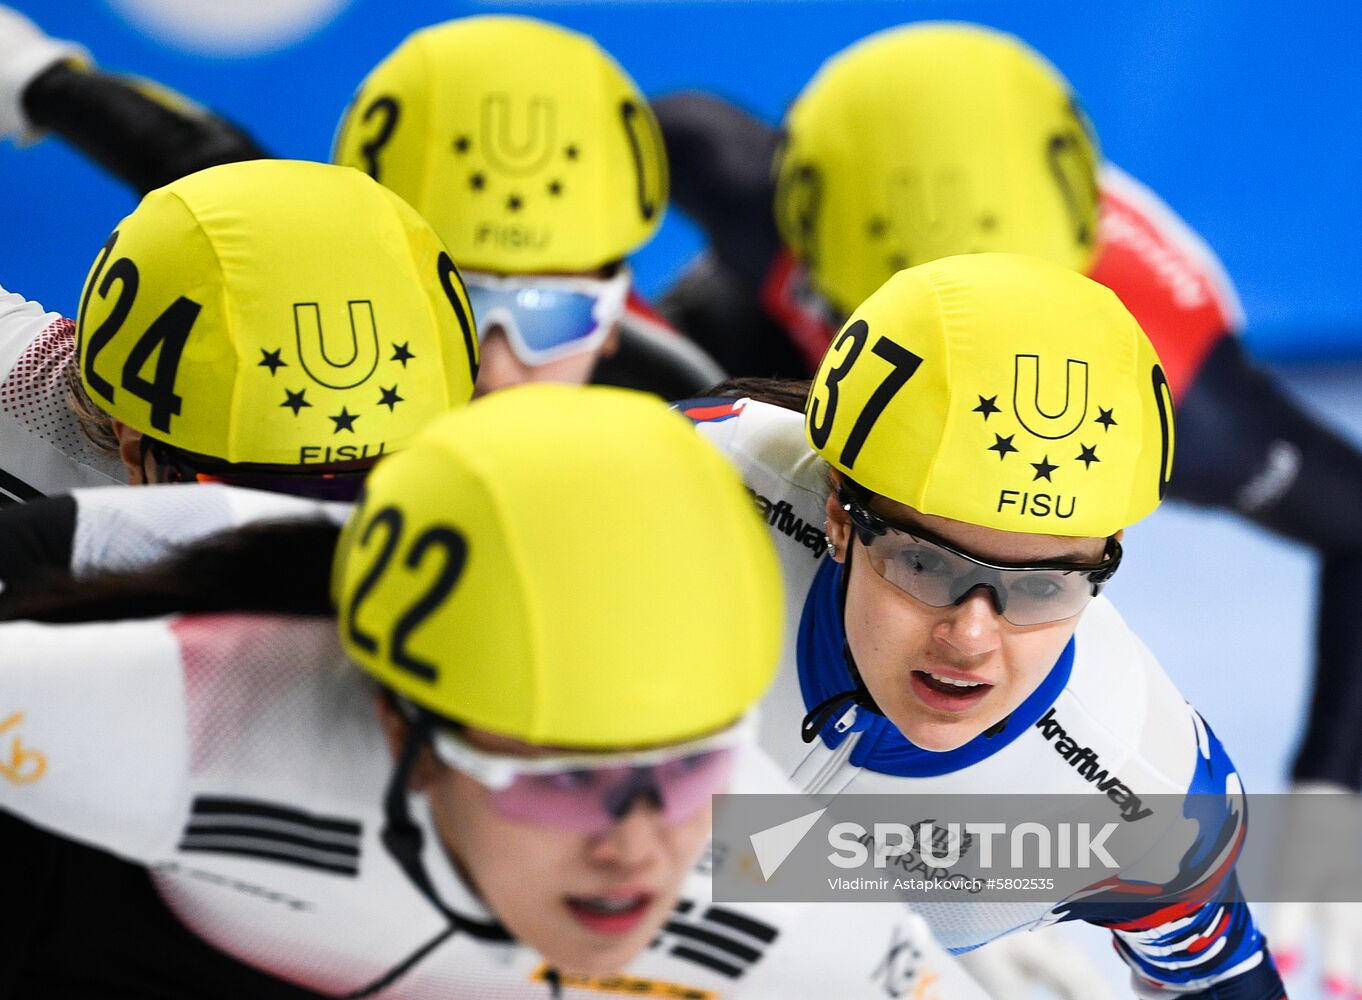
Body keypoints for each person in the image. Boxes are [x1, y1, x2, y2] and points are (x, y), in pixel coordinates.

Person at [656, 22, 1362, 989]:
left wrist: (1336, 805)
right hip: (767, 371)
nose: (976, 634)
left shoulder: (1192, 403)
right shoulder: (741, 197)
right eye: (924, 558)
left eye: (1055, 580)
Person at [0, 384, 983, 999]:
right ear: (404, 727)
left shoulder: (759, 867)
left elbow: (1108, 846)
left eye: (690, 765)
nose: (637, 844)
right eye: (560, 777)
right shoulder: (201, 720)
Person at [681, 252, 1285, 998]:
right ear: (839, 512)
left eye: (1041, 586)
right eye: (925, 565)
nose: (971, 639)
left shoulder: (1150, 798)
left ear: (1108, 557)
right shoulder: (690, 485)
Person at [0, 6, 724, 399]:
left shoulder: (690, 402)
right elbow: (181, 153)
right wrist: (31, 73)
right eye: (455, 302)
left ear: (612, 322)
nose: (497, 370)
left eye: (553, 314)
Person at [0, 155, 478, 598]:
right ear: (131, 450)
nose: (309, 549)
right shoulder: (21, 395)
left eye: (372, 494)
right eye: (256, 500)